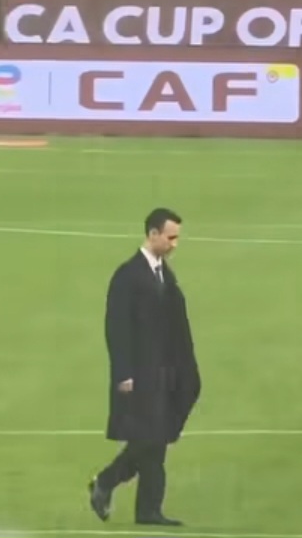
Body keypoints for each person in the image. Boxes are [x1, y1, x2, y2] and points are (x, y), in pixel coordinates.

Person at [88, 208, 201, 526]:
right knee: (149, 439)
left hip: (164, 374)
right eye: (170, 237)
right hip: (139, 376)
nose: (175, 244)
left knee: (156, 441)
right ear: (153, 234)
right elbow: (117, 327)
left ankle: (146, 510)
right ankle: (107, 483)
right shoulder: (128, 275)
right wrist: (124, 373)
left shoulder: (164, 274)